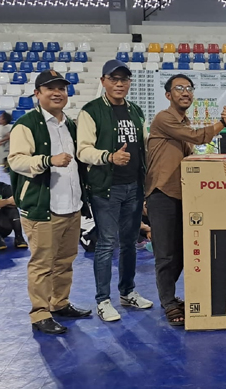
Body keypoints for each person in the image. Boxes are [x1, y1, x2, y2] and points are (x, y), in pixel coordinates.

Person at [8, 69, 92, 334]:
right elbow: (16, 160)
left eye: (62, 89)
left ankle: (59, 302)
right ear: (37, 94)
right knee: (43, 264)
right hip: (42, 208)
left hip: (72, 205)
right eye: (50, 88)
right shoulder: (26, 124)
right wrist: (47, 160)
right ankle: (40, 313)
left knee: (66, 259)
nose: (57, 93)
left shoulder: (71, 125)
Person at [145, 74, 226, 325]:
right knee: (165, 253)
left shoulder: (184, 121)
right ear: (168, 95)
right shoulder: (164, 118)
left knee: (183, 252)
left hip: (183, 195)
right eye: (179, 88)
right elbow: (197, 138)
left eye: (189, 88)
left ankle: (171, 297)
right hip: (162, 194)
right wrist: (223, 122)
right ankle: (169, 302)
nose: (185, 92)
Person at [77, 59, 153, 322]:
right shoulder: (91, 111)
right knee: (107, 244)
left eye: (124, 79)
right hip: (105, 188)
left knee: (131, 243)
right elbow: (83, 150)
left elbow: (146, 144)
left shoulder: (136, 110)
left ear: (130, 83)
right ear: (103, 82)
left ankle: (128, 292)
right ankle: (103, 300)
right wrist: (109, 157)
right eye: (113, 79)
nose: (119, 84)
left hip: (134, 186)